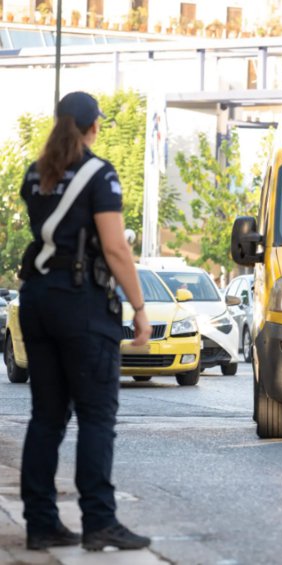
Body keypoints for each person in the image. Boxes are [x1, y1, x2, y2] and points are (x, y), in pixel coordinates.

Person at [18, 92, 152, 551]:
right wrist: (138, 305)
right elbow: (115, 248)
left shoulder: (35, 174)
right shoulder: (100, 173)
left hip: (37, 299)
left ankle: (41, 523)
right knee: (97, 416)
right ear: (93, 126)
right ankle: (99, 521)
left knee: (47, 417)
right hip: (82, 303)